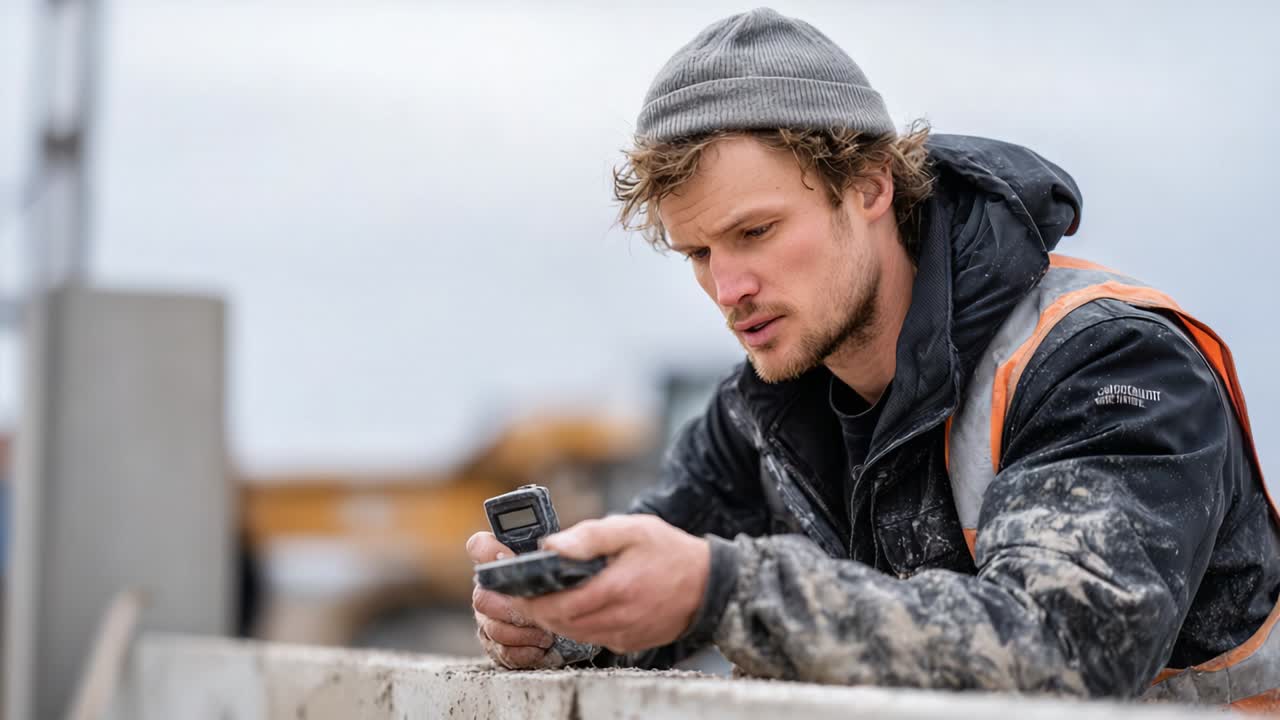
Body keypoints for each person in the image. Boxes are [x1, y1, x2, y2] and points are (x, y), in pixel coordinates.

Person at [467, 7, 1280, 704]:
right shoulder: (766, 410)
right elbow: (659, 585)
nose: (729, 286)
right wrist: (562, 620)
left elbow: (1066, 650)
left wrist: (723, 591)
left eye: (755, 232)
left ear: (870, 184)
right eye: (698, 253)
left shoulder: (1107, 364)